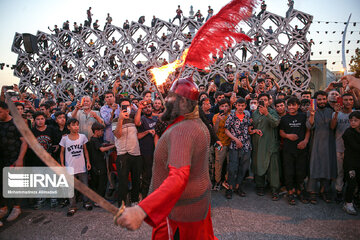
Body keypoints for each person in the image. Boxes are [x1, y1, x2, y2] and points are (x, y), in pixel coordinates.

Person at [115, 76, 216, 240]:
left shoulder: (183, 131)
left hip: (182, 213)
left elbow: (178, 178)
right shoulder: (194, 122)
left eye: (171, 97)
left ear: (182, 103)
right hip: (194, 207)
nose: (166, 100)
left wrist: (142, 209)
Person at [225, 98, 261, 199]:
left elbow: (249, 130)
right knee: (232, 168)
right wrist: (235, 139)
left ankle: (238, 186)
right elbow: (226, 130)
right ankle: (230, 188)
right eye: (239, 105)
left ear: (245, 106)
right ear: (235, 105)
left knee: (243, 167)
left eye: (243, 106)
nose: (240, 107)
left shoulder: (247, 117)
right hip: (234, 145)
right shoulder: (231, 117)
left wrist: (255, 131)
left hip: (246, 145)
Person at [306, 91, 337, 204]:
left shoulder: (330, 111)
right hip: (315, 143)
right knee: (314, 166)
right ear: (315, 100)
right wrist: (312, 115)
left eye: (324, 99)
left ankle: (325, 191)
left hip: (329, 143)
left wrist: (336, 114)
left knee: (327, 166)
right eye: (319, 99)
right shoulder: (311, 111)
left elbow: (333, 127)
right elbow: (309, 126)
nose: (322, 101)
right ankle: (312, 192)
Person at [0, 101, 27, 226]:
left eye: (0, 112)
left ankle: (17, 207)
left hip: (14, 158)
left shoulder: (17, 123)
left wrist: (20, 158)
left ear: (7, 110)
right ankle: (3, 207)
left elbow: (24, 142)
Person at [279, 97, 310, 205]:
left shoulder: (303, 116)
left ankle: (300, 191)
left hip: (301, 149)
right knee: (289, 171)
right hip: (288, 149)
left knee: (300, 171)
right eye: (290, 105)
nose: (291, 107)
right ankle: (290, 192)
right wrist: (288, 136)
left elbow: (308, 130)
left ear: (298, 106)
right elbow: (281, 132)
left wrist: (305, 141)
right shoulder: (284, 118)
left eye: (294, 105)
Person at [60, 118, 92, 216]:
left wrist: (88, 162)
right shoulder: (64, 138)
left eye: (77, 125)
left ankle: (86, 202)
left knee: (84, 185)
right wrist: (62, 165)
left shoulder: (82, 137)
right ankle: (72, 206)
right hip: (70, 167)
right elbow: (62, 152)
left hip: (81, 166)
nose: (76, 127)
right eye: (73, 125)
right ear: (68, 127)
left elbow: (85, 150)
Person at [112, 98, 142, 207]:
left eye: (127, 106)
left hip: (135, 153)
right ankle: (122, 203)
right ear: (120, 108)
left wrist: (139, 109)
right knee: (123, 181)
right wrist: (120, 120)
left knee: (136, 179)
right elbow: (118, 134)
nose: (126, 108)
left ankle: (134, 200)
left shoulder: (134, 118)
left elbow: (138, 124)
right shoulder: (115, 120)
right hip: (122, 154)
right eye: (123, 106)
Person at [252, 93, 281, 200]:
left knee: (272, 167)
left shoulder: (273, 112)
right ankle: (260, 186)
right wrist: (252, 130)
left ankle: (274, 189)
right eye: (261, 99)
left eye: (265, 99)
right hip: (258, 144)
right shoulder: (254, 113)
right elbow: (251, 126)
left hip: (270, 144)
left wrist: (266, 113)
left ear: (269, 101)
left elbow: (276, 123)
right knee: (258, 163)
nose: (263, 101)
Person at [331, 93, 354, 203]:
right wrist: (335, 113)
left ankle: (352, 193)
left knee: (352, 172)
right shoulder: (337, 114)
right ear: (342, 101)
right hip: (339, 147)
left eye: (350, 99)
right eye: (345, 100)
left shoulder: (356, 114)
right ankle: (339, 191)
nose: (348, 102)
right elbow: (332, 127)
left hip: (353, 149)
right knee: (339, 171)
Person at [135, 101, 158, 199]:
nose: (148, 109)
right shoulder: (142, 119)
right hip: (146, 151)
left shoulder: (156, 118)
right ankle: (145, 197)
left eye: (149, 107)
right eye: (145, 108)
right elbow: (137, 128)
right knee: (146, 175)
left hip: (157, 150)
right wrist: (147, 132)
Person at [87, 122, 115, 200]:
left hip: (98, 164)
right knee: (101, 182)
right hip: (98, 165)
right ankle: (99, 200)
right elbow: (102, 149)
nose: (102, 132)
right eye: (101, 131)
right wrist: (113, 145)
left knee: (101, 181)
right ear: (96, 131)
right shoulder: (94, 140)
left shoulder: (96, 139)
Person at [342, 111, 360, 215]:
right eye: (351, 120)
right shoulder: (348, 132)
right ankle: (348, 203)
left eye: (356, 120)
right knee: (351, 183)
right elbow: (355, 147)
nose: (353, 122)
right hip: (350, 163)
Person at [212, 99, 231, 191]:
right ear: (219, 107)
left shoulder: (231, 116)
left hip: (230, 143)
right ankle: (217, 182)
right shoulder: (216, 116)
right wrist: (218, 121)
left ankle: (226, 181)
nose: (224, 108)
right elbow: (214, 132)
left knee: (230, 163)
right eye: (222, 106)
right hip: (219, 143)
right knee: (218, 162)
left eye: (226, 106)